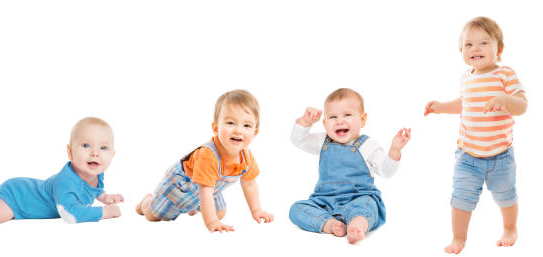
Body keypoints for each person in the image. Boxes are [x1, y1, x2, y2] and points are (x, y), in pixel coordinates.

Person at [424, 16, 527, 254]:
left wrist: (506, 100)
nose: (475, 49)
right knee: (461, 198)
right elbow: (464, 104)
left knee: (506, 196)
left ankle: (510, 228)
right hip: (468, 156)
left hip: (500, 156)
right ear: (461, 50)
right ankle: (459, 238)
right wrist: (440, 106)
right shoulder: (466, 77)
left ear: (498, 49)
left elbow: (522, 105)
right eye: (468, 44)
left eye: (483, 43)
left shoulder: (505, 75)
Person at [0, 117, 123, 226]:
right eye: (86, 145)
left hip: (23, 189)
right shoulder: (67, 182)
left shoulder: (95, 173)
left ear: (113, 155)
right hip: (18, 200)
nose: (95, 153)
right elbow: (70, 214)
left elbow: (93, 189)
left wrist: (104, 197)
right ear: (70, 151)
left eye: (103, 148)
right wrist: (104, 212)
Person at [136, 89, 273, 232]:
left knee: (220, 213)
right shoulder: (208, 155)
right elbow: (204, 191)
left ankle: (194, 206)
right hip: (181, 185)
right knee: (154, 216)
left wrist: (256, 210)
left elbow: (249, 184)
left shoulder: (247, 157)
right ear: (216, 128)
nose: (238, 130)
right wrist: (211, 222)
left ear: (254, 132)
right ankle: (146, 202)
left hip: (208, 189)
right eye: (231, 123)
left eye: (246, 126)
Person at [289, 88, 411, 244]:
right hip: (324, 201)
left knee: (366, 207)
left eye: (347, 115)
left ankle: (356, 225)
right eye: (333, 117)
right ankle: (329, 224)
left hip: (358, 198)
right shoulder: (322, 142)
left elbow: (386, 172)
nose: (340, 121)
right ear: (325, 123)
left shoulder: (367, 145)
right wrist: (305, 122)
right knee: (296, 209)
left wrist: (394, 150)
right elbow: (298, 140)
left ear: (363, 119)